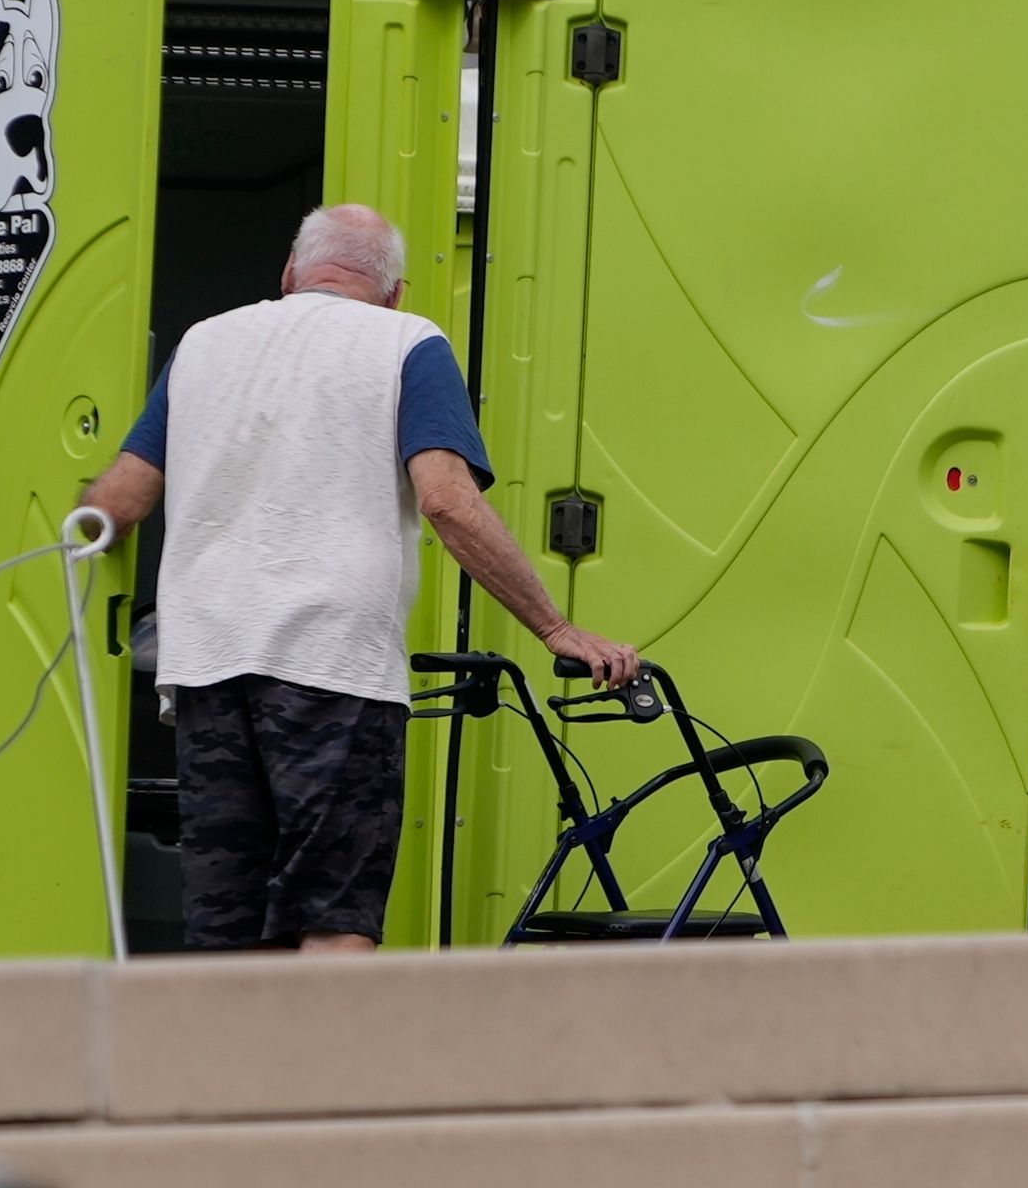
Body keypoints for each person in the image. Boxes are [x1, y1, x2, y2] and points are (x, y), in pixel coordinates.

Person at [75, 204, 638, 954]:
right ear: (395, 291)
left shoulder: (203, 343)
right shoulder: (408, 341)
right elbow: (447, 499)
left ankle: (227, 1075)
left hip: (208, 665)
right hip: (331, 669)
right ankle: (324, 1077)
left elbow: (116, 506)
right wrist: (555, 627)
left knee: (225, 931)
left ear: (289, 273)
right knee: (333, 921)